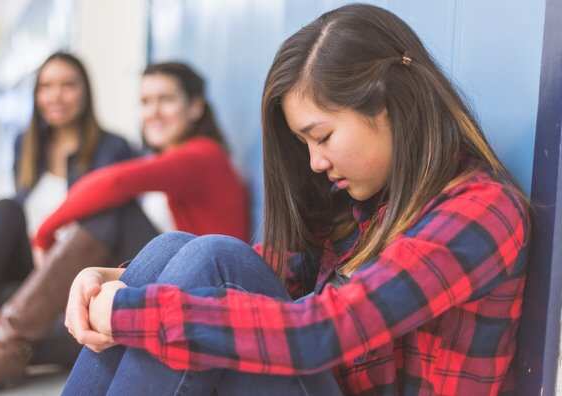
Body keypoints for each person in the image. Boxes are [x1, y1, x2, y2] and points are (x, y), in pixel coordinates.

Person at [60, 4, 530, 396]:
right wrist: (118, 280)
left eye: (321, 136)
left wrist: (127, 311)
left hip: (323, 358)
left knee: (210, 256)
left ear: (388, 105)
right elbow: (272, 268)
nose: (315, 163)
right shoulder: (370, 202)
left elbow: (319, 333)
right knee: (174, 249)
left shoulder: (481, 212)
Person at [0, 61, 249, 393]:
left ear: (195, 108)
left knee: (113, 212)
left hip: (197, 298)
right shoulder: (171, 161)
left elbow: (114, 181)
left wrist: (45, 232)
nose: (153, 112)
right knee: (4, 313)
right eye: (146, 102)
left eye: (165, 100)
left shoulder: (203, 156)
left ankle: (1, 344)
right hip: (161, 289)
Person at [0, 51, 135, 341]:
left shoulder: (112, 148)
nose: (56, 96)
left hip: (75, 271)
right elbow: (21, 209)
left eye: (67, 85)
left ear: (85, 92)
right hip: (29, 265)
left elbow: (99, 225)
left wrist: (45, 236)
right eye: (46, 86)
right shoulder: (27, 145)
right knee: (6, 209)